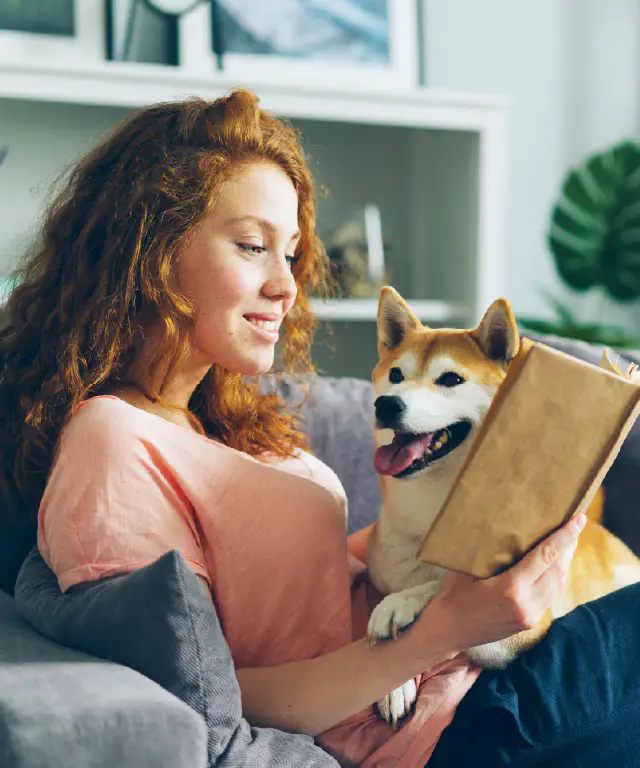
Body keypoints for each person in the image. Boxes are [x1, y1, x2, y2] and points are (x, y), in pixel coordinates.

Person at [1, 88, 638, 768]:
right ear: (148, 251)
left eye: (292, 253)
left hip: (472, 673)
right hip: (439, 730)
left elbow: (307, 590)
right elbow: (206, 694)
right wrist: (448, 626)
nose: (287, 285)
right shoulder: (112, 439)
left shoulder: (221, 421)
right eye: (253, 246)